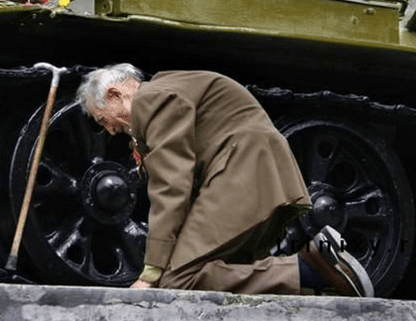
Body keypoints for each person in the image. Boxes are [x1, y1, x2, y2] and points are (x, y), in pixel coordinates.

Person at [76, 63, 374, 296]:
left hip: (241, 173)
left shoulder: (149, 100)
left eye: (103, 119)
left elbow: (171, 188)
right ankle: (320, 284)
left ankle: (308, 270)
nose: (110, 130)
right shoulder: (165, 91)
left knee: (176, 279)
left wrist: (151, 271)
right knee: (217, 271)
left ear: (115, 94)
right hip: (251, 173)